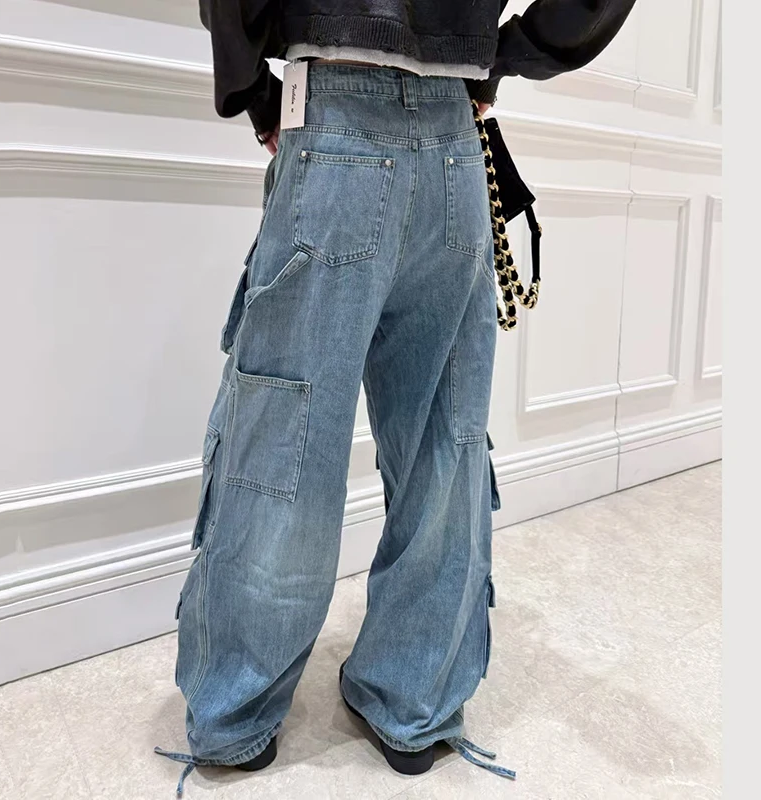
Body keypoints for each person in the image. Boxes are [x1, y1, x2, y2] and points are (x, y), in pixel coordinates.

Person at [155, 0, 635, 793]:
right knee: (444, 437)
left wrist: (254, 90)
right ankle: (414, 701)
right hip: (454, 146)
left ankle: (235, 711)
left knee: (286, 436)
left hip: (334, 121)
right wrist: (507, 53)